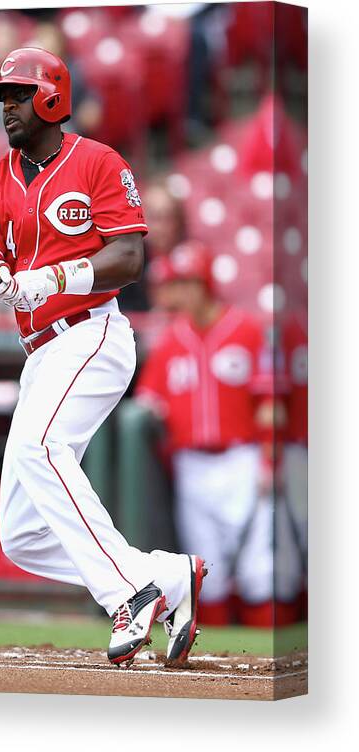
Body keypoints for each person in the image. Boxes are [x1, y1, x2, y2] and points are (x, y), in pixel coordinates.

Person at [0, 47, 206, 668]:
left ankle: (129, 594)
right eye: (3, 98)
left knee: (43, 451)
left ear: (51, 97)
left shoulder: (98, 161)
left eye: (17, 95)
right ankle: (165, 577)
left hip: (92, 333)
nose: (8, 107)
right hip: (39, 353)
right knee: (20, 536)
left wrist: (51, 278)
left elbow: (127, 259)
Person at [136, 241, 274, 626]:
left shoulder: (245, 329)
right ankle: (219, 658)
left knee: (258, 566)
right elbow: (148, 402)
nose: (180, 292)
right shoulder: (170, 338)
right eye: (177, 283)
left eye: (188, 282)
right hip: (191, 462)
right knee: (206, 567)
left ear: (206, 283)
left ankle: (265, 656)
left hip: (241, 458)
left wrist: (267, 458)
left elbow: (269, 403)